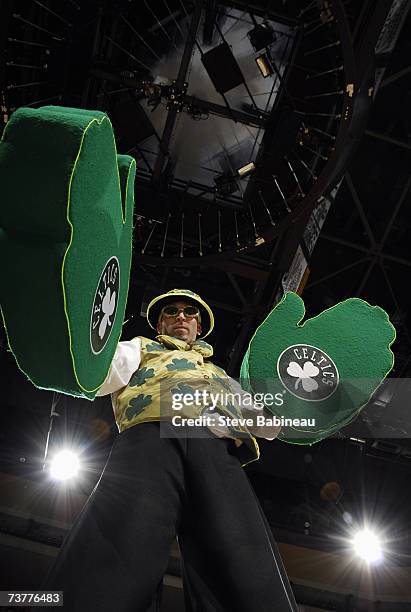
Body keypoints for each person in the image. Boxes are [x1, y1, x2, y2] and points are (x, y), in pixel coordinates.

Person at [39, 289, 298, 612]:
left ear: (199, 326)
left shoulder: (220, 377)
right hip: (152, 434)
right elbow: (100, 371)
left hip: (216, 447)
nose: (181, 316)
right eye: (171, 311)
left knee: (238, 545)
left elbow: (268, 426)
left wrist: (303, 395)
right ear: (160, 323)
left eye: (189, 312)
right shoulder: (140, 348)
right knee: (124, 533)